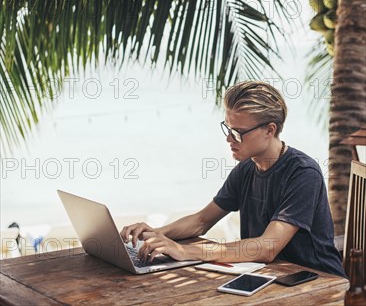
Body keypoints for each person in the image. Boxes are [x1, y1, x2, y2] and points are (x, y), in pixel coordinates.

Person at [121, 81, 345, 277]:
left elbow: (267, 247)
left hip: (317, 281)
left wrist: (184, 251)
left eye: (238, 132)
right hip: (269, 276)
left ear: (269, 130)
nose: (229, 139)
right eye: (227, 129)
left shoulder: (303, 173)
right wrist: (155, 234)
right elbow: (201, 221)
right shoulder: (247, 168)